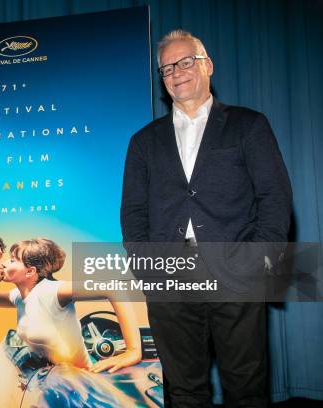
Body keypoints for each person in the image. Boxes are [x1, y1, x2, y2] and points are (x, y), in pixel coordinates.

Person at [121, 29, 292, 406]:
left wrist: (261, 257)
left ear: (207, 65)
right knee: (183, 387)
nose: (176, 72)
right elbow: (133, 212)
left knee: (246, 384)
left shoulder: (249, 125)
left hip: (236, 271)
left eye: (186, 61)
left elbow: (275, 196)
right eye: (166, 68)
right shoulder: (143, 141)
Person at [0, 238, 142, 372]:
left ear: (30, 272)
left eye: (13, 260)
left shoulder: (52, 291)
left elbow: (113, 288)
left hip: (85, 384)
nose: (5, 263)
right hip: (55, 382)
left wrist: (132, 351)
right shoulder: (19, 297)